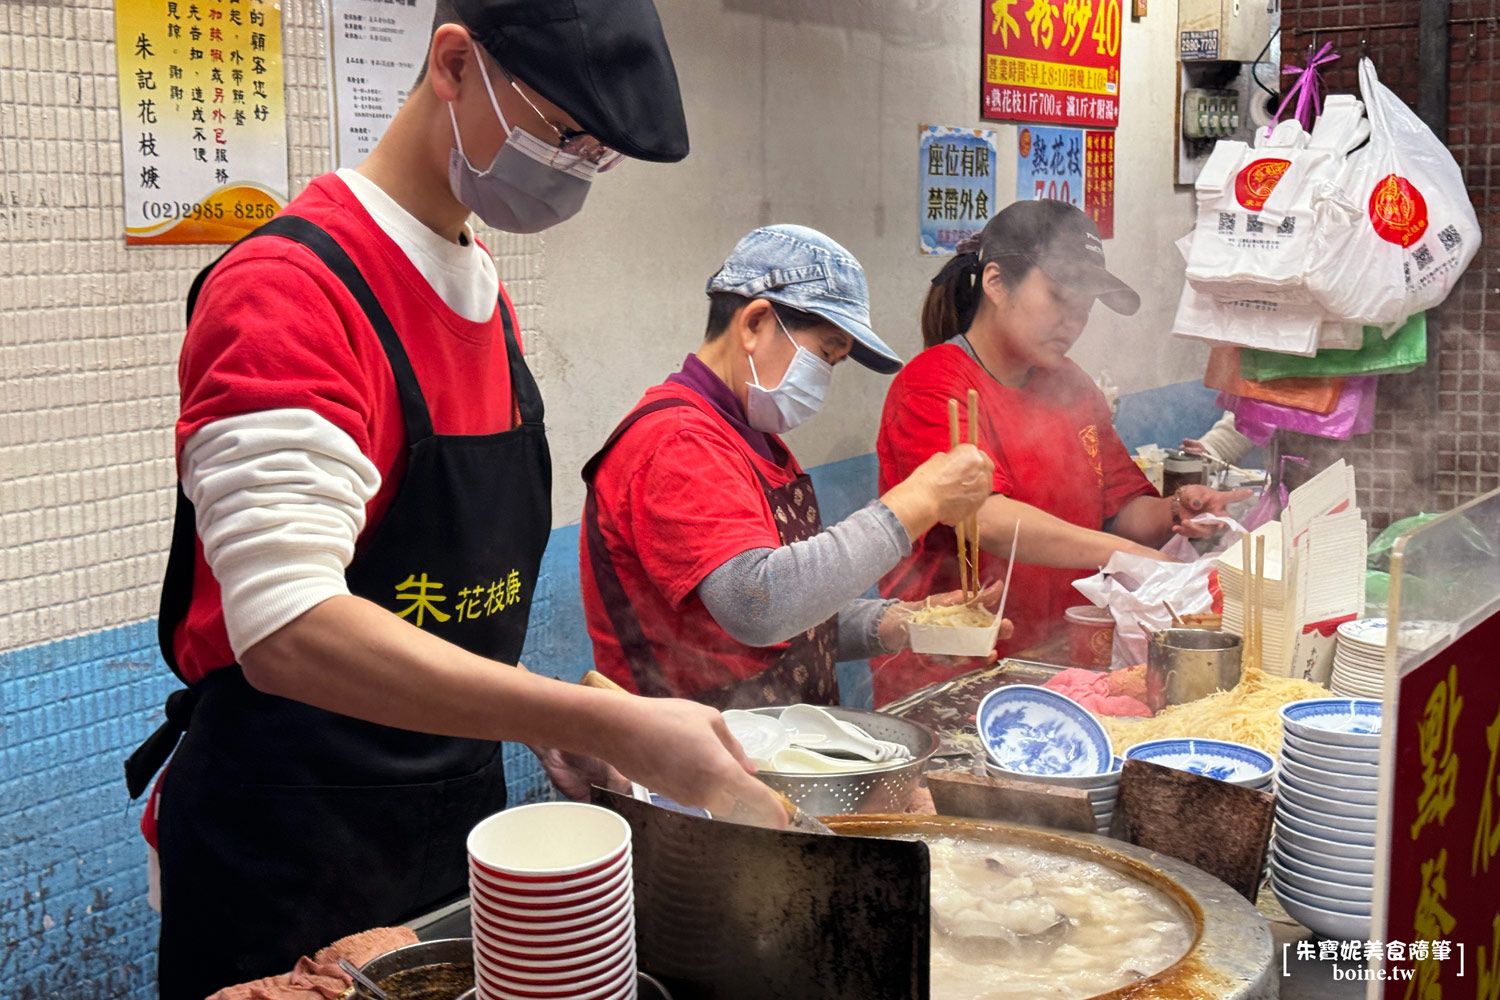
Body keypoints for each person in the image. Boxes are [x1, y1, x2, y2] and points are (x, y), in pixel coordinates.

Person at [122, 2, 786, 997]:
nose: (574, 174)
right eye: (564, 134)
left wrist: (554, 722)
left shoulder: (483, 290)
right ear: (454, 64)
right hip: (285, 847)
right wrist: (599, 721)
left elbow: (448, 603)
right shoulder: (287, 290)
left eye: (597, 157)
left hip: (449, 828)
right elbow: (288, 627)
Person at [580, 225, 1000, 709]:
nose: (823, 379)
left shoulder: (753, 440)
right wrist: (918, 502)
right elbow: (758, 604)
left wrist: (900, 623)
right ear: (754, 323)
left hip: (768, 739)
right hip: (688, 745)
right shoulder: (677, 441)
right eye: (825, 354)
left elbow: (790, 615)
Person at [873, 201, 1249, 706]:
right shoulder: (935, 383)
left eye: (1085, 309)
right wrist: (1128, 556)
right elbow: (984, 519)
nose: (1073, 322)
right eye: (1058, 298)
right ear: (996, 283)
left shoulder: (1070, 384)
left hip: (1054, 664)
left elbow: (1119, 509)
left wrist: (1176, 513)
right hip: (952, 672)